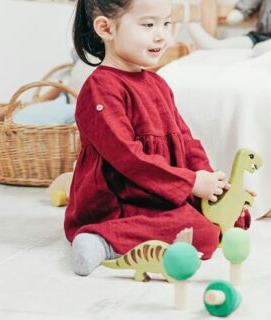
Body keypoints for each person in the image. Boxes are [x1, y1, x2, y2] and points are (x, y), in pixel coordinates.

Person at [65, 0, 251, 276]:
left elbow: (187, 142)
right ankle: (101, 239)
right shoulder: (100, 89)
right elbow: (128, 158)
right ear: (106, 28)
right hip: (119, 200)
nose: (161, 34)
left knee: (233, 214)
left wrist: (210, 180)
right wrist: (190, 183)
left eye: (166, 23)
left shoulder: (158, 84)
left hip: (161, 190)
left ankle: (176, 221)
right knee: (202, 234)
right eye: (148, 25)